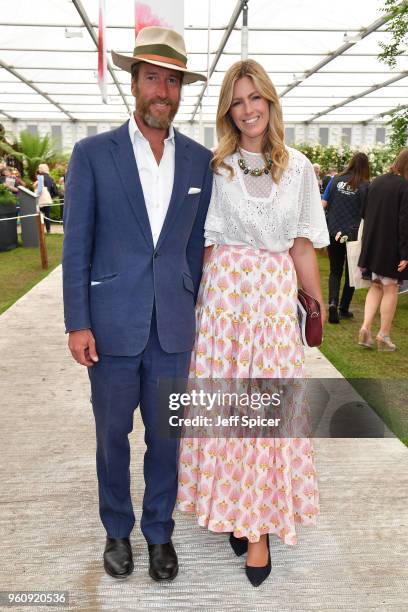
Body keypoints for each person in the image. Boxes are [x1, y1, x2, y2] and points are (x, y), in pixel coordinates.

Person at [62, 26, 212, 582]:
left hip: (172, 329)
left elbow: (195, 246)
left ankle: (158, 533)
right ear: (134, 83)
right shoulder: (92, 154)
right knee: (111, 438)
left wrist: (187, 300)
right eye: (153, 78)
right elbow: (75, 245)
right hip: (110, 327)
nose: (163, 91)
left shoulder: (198, 162)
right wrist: (78, 321)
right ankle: (117, 530)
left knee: (166, 438)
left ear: (180, 91)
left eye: (173, 82)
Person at [176, 59, 329, 587]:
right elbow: (205, 243)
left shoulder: (301, 168)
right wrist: (188, 307)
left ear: (270, 101)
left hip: (271, 308)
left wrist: (315, 301)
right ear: (228, 110)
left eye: (254, 98)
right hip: (224, 309)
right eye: (237, 101)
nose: (247, 110)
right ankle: (238, 511)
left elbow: (302, 244)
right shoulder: (216, 167)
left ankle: (258, 526)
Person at [358, 148, 408, 351]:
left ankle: (365, 328)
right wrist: (405, 253)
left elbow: (363, 213)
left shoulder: (376, 182)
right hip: (391, 247)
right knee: (390, 288)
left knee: (376, 286)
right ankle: (383, 335)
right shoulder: (405, 187)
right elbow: (405, 222)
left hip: (372, 243)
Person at [322, 153, 370, 323]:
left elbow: (324, 204)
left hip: (333, 231)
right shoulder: (365, 186)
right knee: (351, 273)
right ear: (366, 167)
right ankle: (343, 308)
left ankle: (332, 303)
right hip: (353, 234)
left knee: (335, 270)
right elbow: (367, 213)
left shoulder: (335, 180)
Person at [34, 163, 59, 233]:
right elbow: (54, 190)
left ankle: (39, 231)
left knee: (39, 214)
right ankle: (48, 230)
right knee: (47, 215)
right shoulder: (51, 178)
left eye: (39, 168)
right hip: (48, 199)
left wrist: (35, 192)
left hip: (41, 199)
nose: (38, 169)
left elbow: (39, 190)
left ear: (41, 169)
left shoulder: (40, 177)